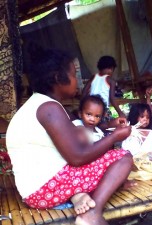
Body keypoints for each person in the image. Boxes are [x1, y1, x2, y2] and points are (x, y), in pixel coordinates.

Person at [6, 48, 133, 225]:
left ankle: (78, 196)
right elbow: (78, 157)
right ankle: (92, 213)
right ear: (59, 78)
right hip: (46, 188)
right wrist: (114, 137)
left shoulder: (37, 105)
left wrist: (109, 129)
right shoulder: (49, 108)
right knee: (123, 157)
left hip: (34, 190)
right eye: (74, 75)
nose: (78, 81)